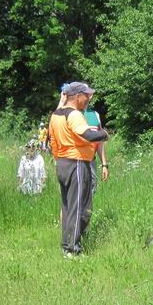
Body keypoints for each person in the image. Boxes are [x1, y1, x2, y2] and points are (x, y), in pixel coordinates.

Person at [48, 81, 108, 256]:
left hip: (62, 163)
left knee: (68, 207)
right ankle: (72, 249)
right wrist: (103, 134)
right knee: (81, 208)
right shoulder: (74, 115)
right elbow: (88, 135)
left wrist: (59, 159)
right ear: (76, 96)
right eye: (86, 95)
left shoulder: (56, 115)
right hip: (77, 163)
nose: (88, 98)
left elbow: (52, 142)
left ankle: (66, 244)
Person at [82, 104, 108, 194]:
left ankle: (88, 208)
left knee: (92, 189)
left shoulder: (95, 114)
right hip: (76, 161)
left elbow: (100, 141)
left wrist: (104, 165)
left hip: (91, 161)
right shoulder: (72, 113)